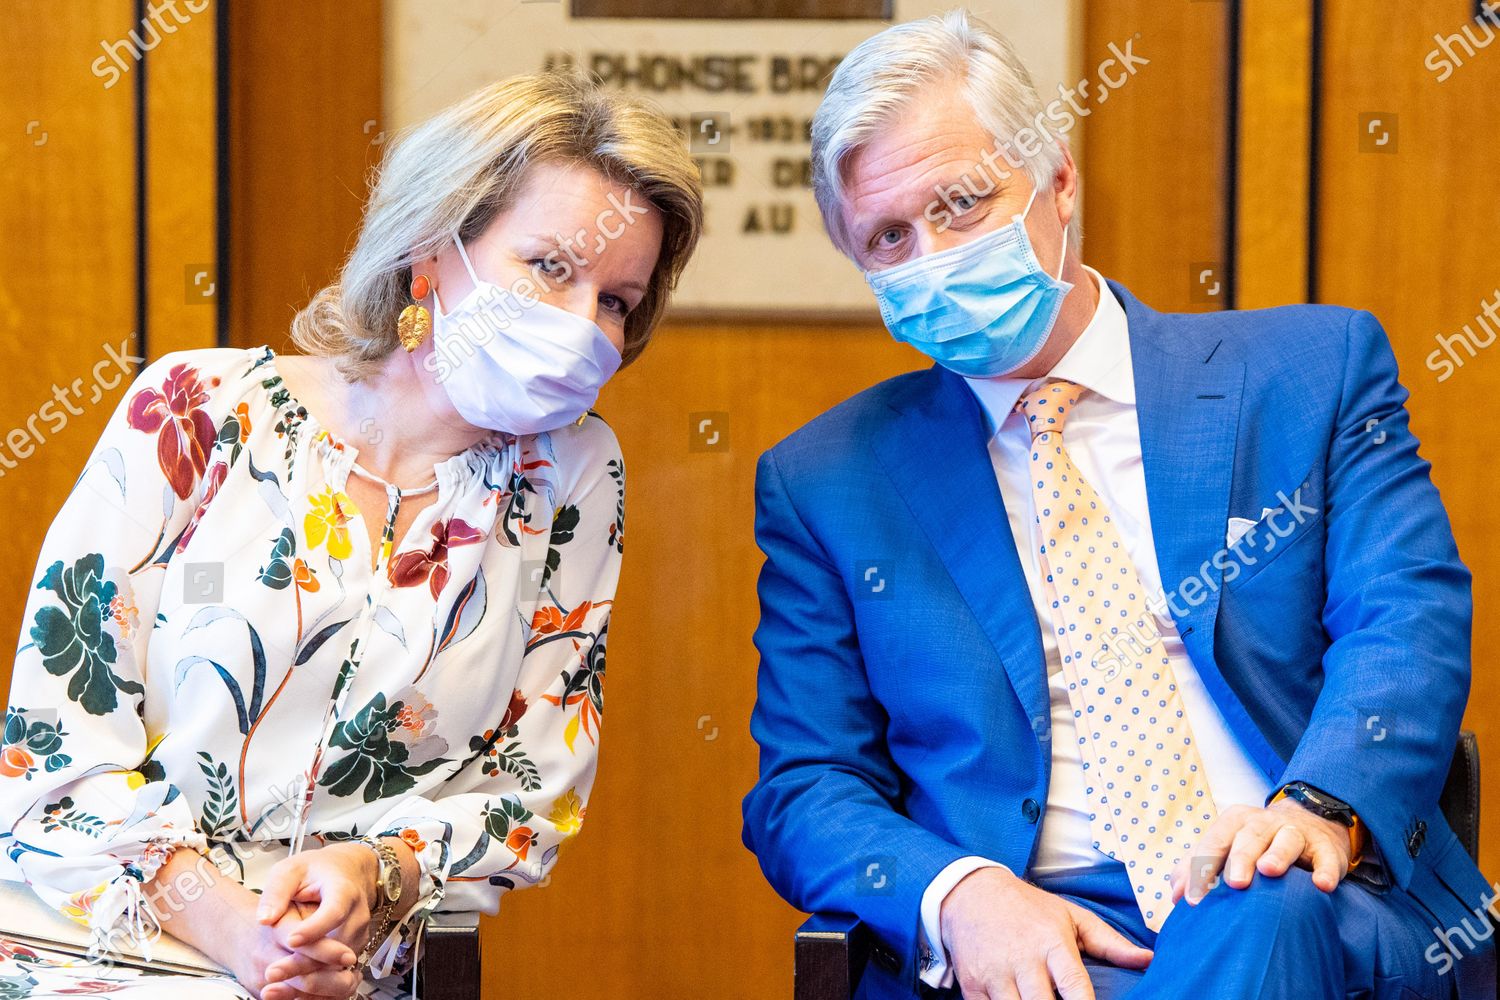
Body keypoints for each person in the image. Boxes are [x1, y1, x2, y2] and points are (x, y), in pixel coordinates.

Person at [741, 11, 1494, 1000]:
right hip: (1036, 936)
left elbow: (1407, 614)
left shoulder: (1311, 373)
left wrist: (1314, 803)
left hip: (1308, 894)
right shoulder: (828, 479)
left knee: (1255, 904)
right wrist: (960, 893)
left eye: (962, 203)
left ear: (1058, 181)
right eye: (889, 236)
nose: (931, 254)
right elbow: (804, 785)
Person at [0, 71, 701, 999]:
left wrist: (379, 871)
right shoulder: (197, 409)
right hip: (87, 948)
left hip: (339, 972)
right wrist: (236, 934)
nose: (583, 326)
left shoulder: (572, 475)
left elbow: (535, 796)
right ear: (430, 248)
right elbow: (48, 757)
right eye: (549, 267)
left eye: (617, 300)